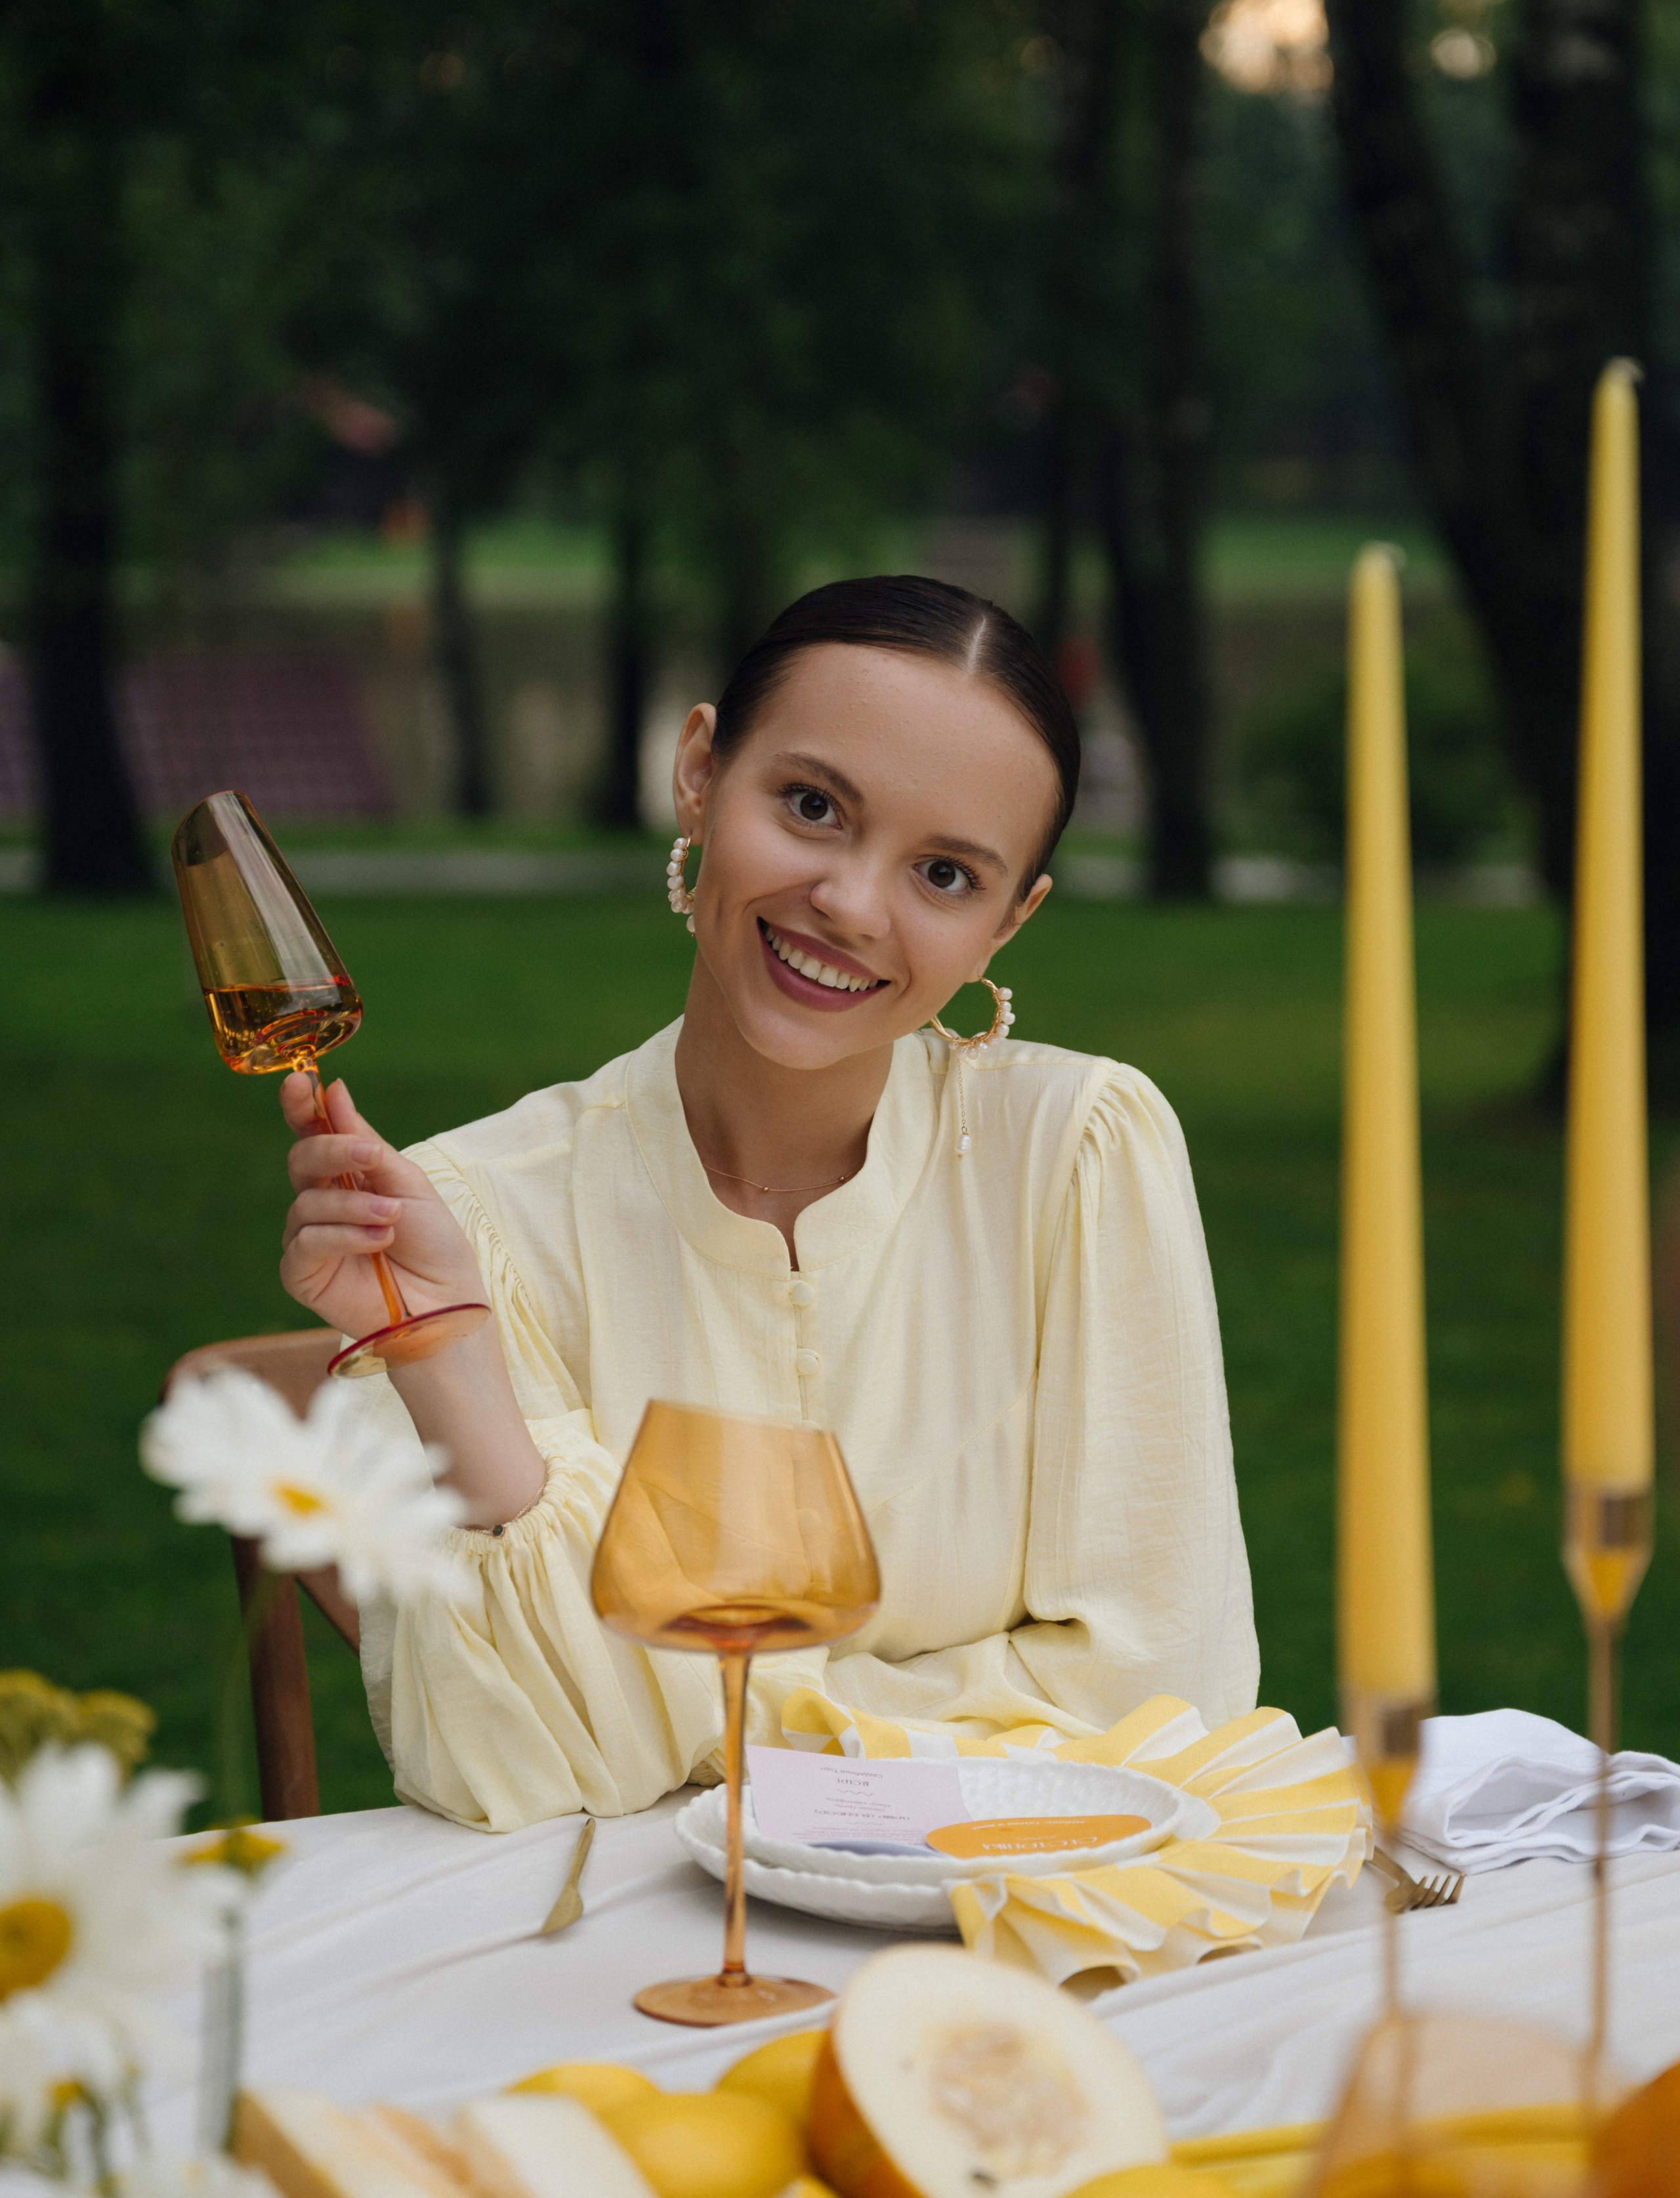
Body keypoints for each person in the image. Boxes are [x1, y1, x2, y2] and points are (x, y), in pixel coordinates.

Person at [278, 576, 1259, 1830]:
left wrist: (685, 1722)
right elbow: (506, 1771)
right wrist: (454, 1365)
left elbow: (1165, 1698)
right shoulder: (464, 1218)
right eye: (812, 806)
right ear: (699, 772)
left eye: (947, 874)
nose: (850, 905)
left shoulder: (1077, 1155)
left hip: (1018, 1933)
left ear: (1013, 923)